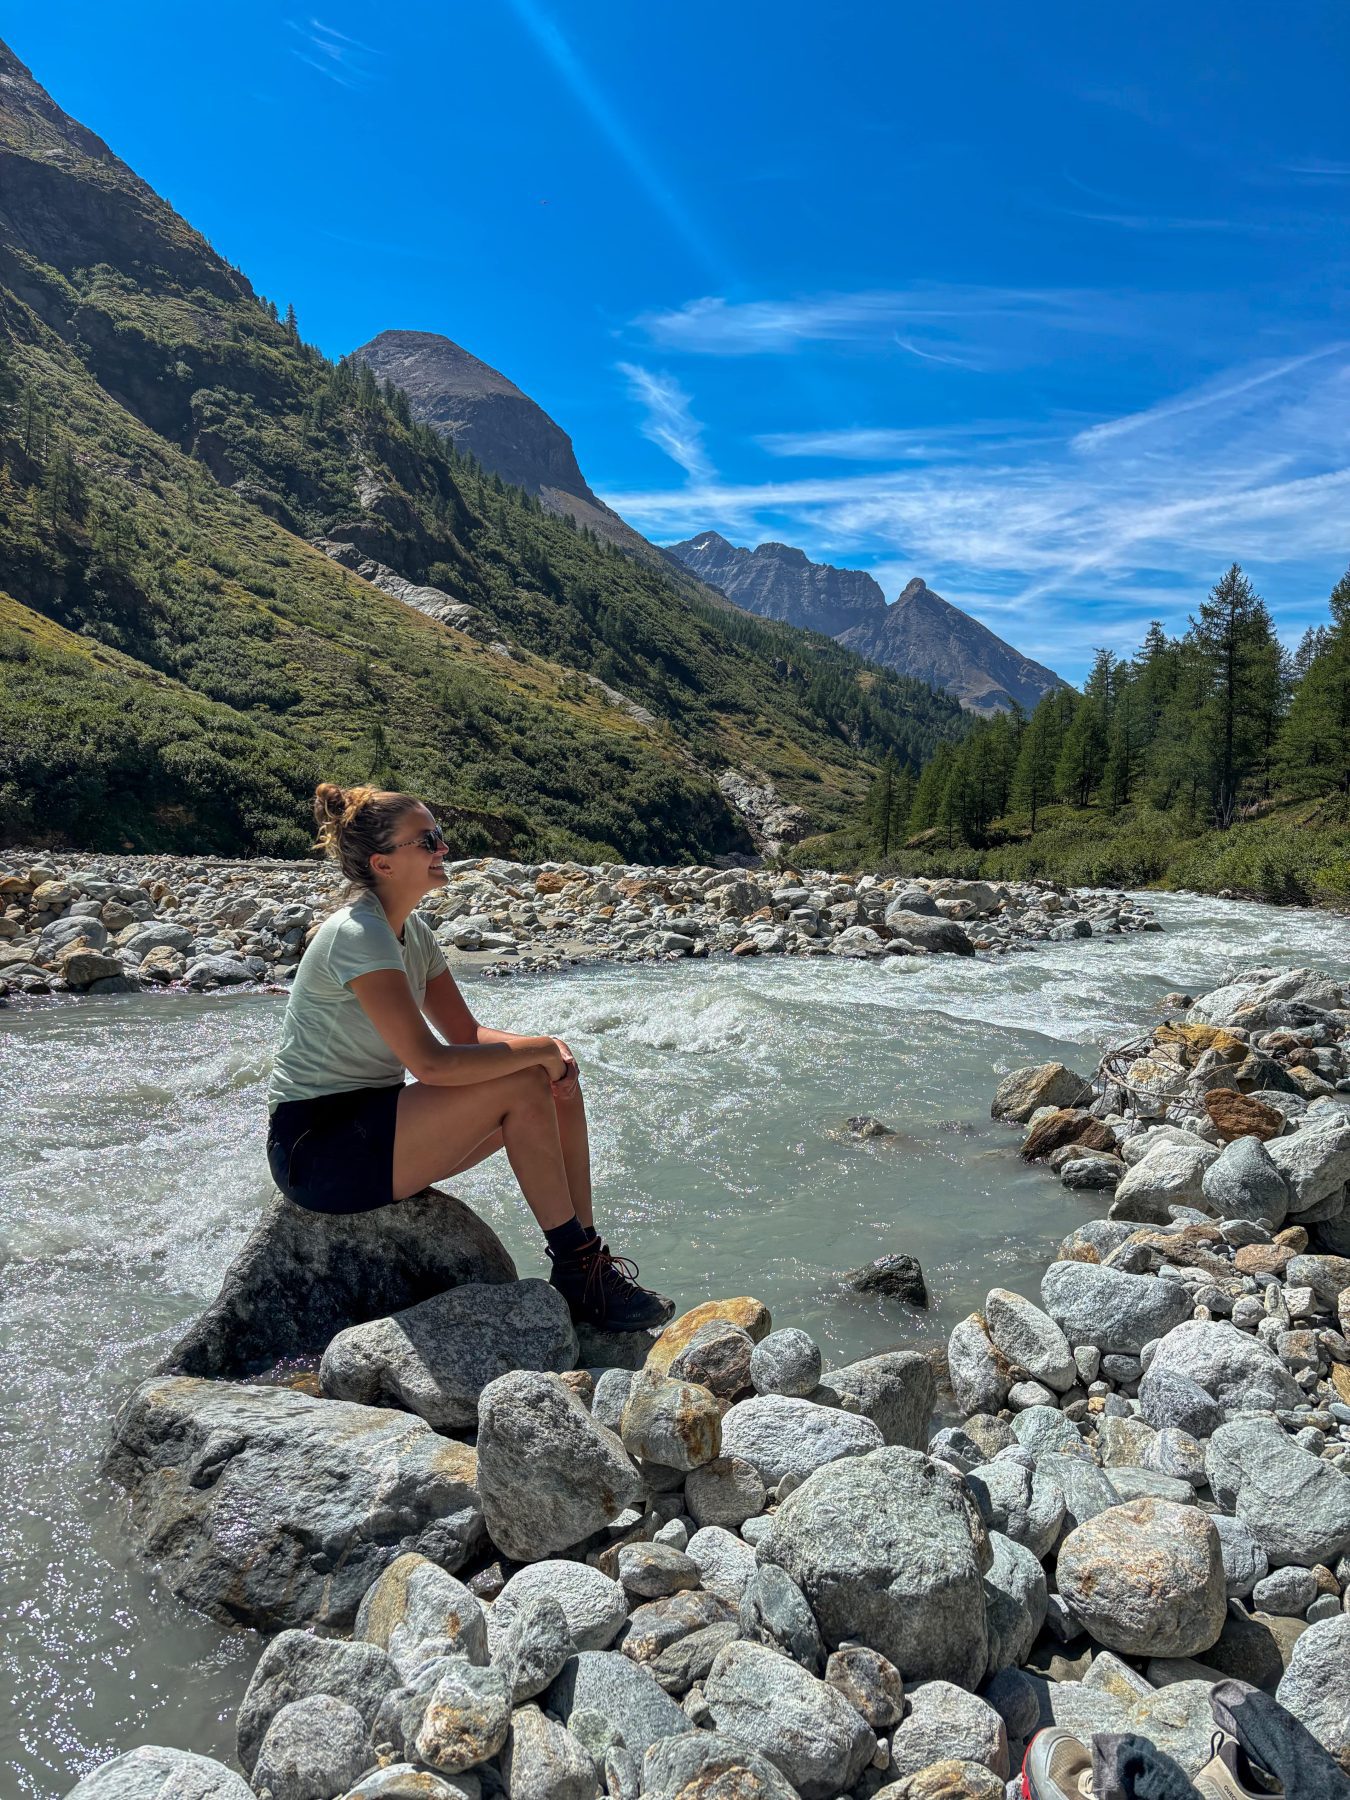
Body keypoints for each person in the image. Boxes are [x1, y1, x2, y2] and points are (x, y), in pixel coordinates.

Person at [265, 782, 675, 1331]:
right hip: (319, 1147)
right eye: (427, 839)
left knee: (553, 1082)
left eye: (439, 835)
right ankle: (578, 1272)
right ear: (384, 864)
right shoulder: (357, 934)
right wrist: (539, 1053)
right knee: (525, 1080)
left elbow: (464, 1034)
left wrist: (553, 1054)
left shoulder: (412, 932)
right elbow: (431, 1064)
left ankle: (588, 1258)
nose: (443, 849)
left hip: (375, 1123)